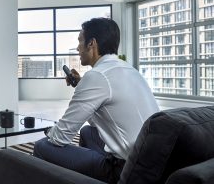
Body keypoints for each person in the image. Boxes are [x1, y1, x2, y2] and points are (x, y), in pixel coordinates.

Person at [33, 18, 159, 184]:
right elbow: (100, 119)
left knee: (42, 146)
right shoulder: (128, 69)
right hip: (152, 164)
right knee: (87, 133)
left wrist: (49, 131)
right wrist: (81, 86)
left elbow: (60, 137)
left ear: (91, 43)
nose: (78, 48)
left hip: (126, 171)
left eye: (80, 41)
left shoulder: (97, 76)